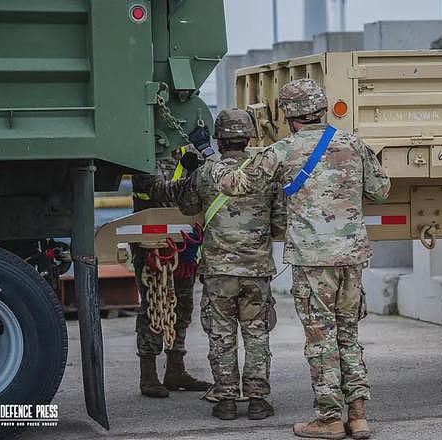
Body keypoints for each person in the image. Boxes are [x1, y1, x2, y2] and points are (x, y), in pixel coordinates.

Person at [206, 79, 391, 440]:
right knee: (349, 335)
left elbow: (236, 185)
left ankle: (329, 419)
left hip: (312, 262)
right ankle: (359, 416)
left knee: (322, 338)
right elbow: (381, 190)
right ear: (321, 108)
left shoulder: (283, 150)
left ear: (290, 117)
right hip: (351, 259)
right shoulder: (352, 143)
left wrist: (216, 167)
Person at [141, 109, 286, 421]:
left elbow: (184, 203)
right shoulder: (265, 172)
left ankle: (227, 400)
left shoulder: (207, 172)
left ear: (219, 139)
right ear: (249, 137)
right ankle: (258, 400)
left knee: (221, 335)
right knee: (257, 334)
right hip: (256, 270)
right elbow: (280, 223)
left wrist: (147, 176)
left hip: (219, 271)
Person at [131, 149, 212, 398]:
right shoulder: (143, 155)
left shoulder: (189, 151)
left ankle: (176, 369)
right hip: (153, 242)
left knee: (183, 305)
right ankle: (148, 375)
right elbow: (157, 190)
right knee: (154, 307)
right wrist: (193, 176)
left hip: (184, 242)